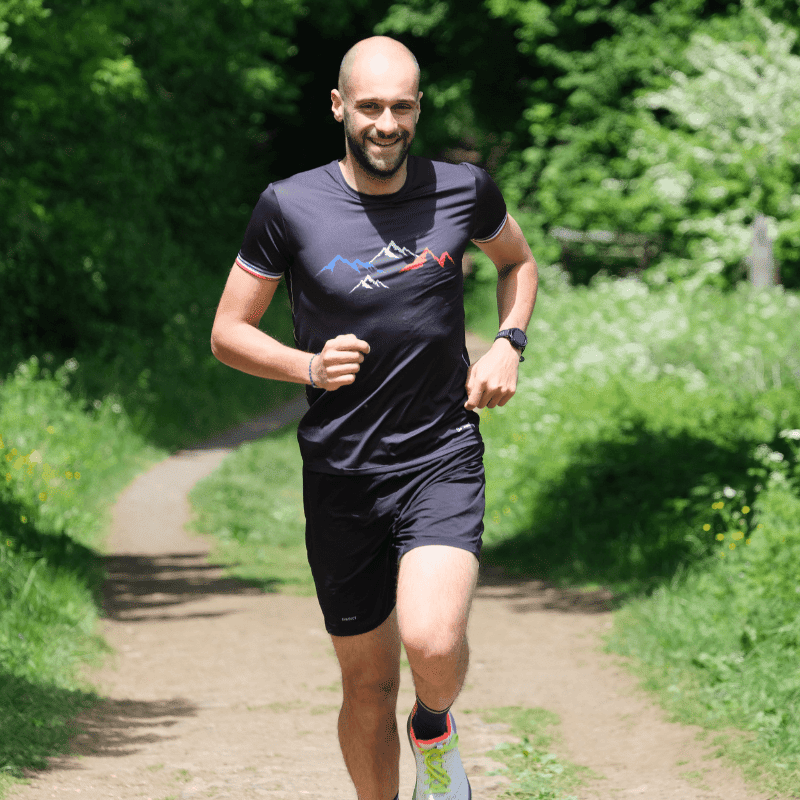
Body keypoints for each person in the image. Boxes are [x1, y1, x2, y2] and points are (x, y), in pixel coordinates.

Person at [211, 35, 538, 800]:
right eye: (369, 107)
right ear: (339, 108)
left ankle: (433, 723)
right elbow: (229, 331)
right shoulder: (288, 204)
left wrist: (507, 344)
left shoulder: (463, 190)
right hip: (341, 472)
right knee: (364, 686)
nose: (385, 123)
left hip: (440, 452)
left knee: (432, 638)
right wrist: (305, 366)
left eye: (400, 107)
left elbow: (516, 263)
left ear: (417, 109)